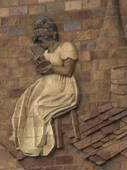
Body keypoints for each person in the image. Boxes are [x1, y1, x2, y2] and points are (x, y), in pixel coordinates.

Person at [10, 17, 79, 158]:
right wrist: (41, 64)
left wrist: (50, 67)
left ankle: (37, 144)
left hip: (64, 88)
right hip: (47, 85)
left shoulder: (66, 47)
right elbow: (45, 70)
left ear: (50, 36)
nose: (42, 45)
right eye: (40, 42)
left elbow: (68, 71)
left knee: (38, 107)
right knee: (24, 101)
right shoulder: (46, 53)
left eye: (43, 41)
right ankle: (24, 138)